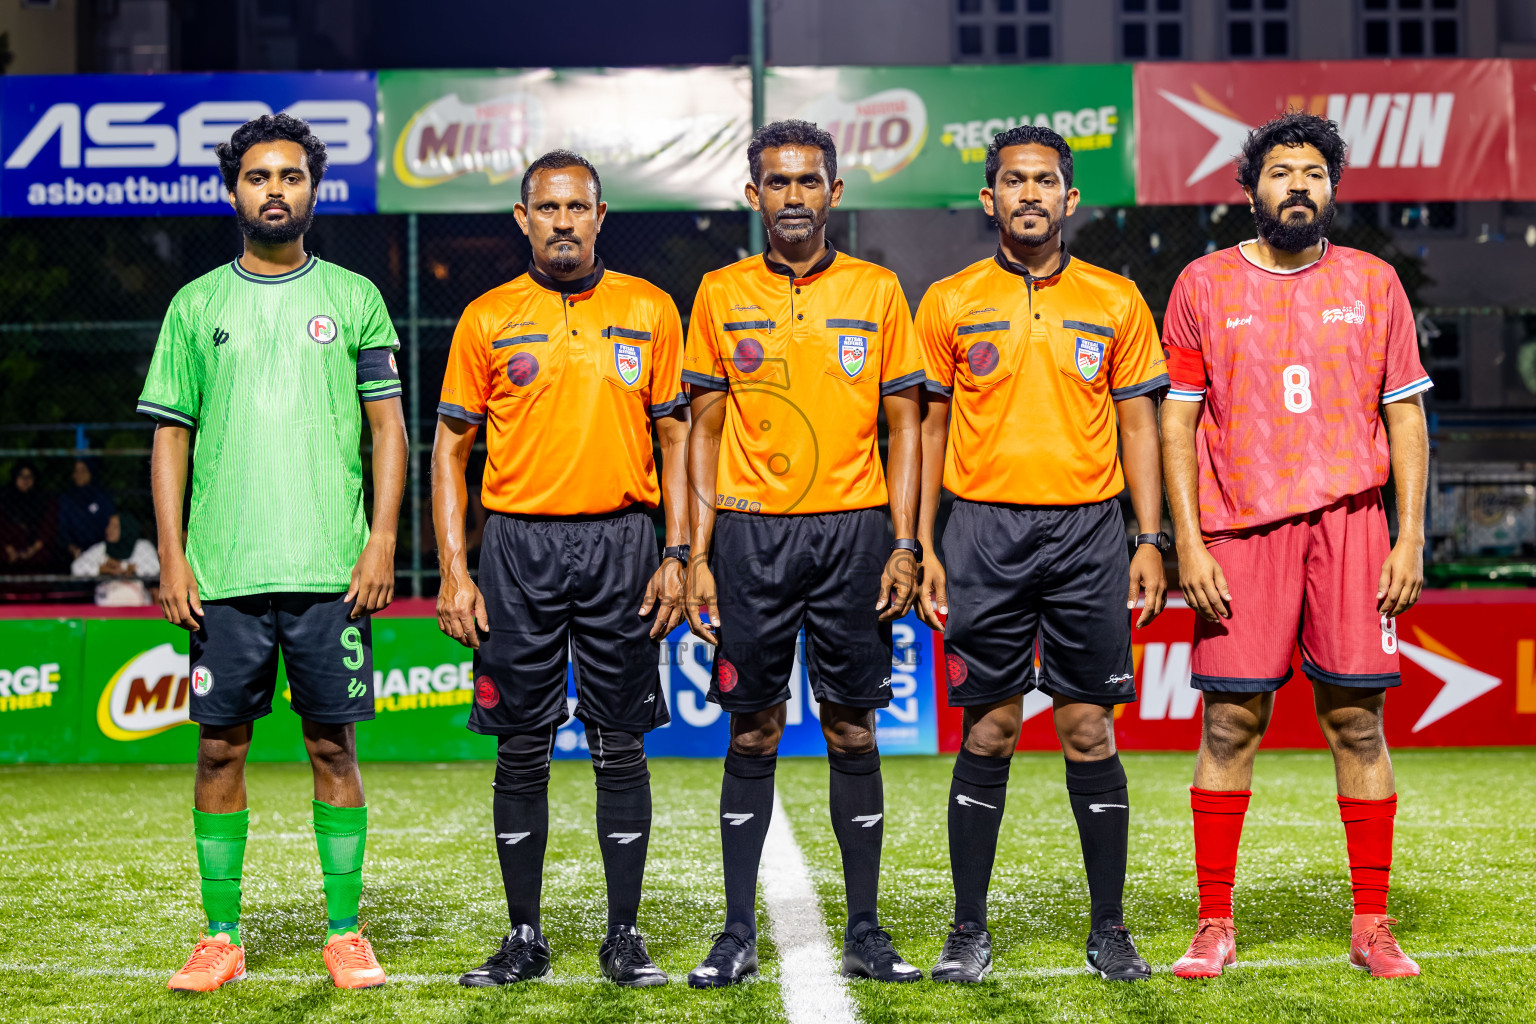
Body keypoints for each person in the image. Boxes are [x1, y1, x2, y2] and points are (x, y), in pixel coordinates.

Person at [1160, 111, 1432, 980]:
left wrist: (1409, 535)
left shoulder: (1374, 282)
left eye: (1314, 173)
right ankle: (1213, 923)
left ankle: (1372, 925)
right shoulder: (1203, 284)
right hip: (1239, 531)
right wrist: (1187, 543)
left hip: (1353, 528)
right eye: (1281, 172)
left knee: (1358, 721)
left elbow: (1405, 413)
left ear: (1332, 189)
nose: (1298, 186)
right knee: (1230, 721)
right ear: (1251, 189)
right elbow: (1177, 422)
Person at [139, 113, 407, 993]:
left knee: (334, 748)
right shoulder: (195, 306)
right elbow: (171, 437)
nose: (275, 190)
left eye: (291, 176)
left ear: (313, 189)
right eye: (258, 177)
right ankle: (220, 936)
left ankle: (345, 933)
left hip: (331, 570)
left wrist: (380, 542)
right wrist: (173, 556)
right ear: (234, 191)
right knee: (220, 752)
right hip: (224, 573)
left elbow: (388, 429)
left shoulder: (356, 297)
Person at [913, 125, 1169, 984]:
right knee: (990, 727)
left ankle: (1110, 929)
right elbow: (929, 429)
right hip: (982, 532)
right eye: (1015, 181)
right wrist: (922, 541)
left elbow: (1140, 426)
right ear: (989, 199)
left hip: (1089, 534)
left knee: (1087, 727)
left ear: (1070, 198)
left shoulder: (1116, 299)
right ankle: (968, 929)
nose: (1030, 193)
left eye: (1046, 181)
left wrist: (1149, 537)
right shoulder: (949, 300)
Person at [433, 150, 689, 989]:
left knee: (620, 743)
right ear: (524, 219)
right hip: (517, 549)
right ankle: (524, 936)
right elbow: (450, 449)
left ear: (601, 215)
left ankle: (624, 936)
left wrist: (679, 552)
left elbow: (677, 438)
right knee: (521, 745)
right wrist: (455, 569)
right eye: (548, 207)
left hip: (624, 542)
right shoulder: (486, 317)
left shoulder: (649, 309)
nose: (564, 220)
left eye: (578, 206)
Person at [682, 119, 926, 988]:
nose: (794, 196)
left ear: (834, 192)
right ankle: (736, 933)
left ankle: (865, 930)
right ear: (755, 195)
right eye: (778, 182)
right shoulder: (719, 292)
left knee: (853, 726)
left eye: (808, 180)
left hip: (854, 534)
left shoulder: (878, 290)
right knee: (752, 727)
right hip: (750, 536)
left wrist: (906, 542)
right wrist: (697, 553)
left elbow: (907, 426)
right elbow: (703, 432)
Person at [71, 512, 159, 606]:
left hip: (138, 603)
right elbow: (76, 568)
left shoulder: (142, 546)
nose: (108, 530)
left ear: (125, 528)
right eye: (109, 525)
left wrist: (126, 567)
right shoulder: (102, 548)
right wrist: (104, 569)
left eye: (115, 526)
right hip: (107, 602)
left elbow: (155, 567)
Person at [0, 461, 57, 572]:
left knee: (43, 555)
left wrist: (33, 549)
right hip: (9, 545)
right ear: (15, 478)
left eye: (29, 476)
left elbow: (47, 528)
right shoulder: (5, 499)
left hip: (34, 546)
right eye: (21, 476)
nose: (25, 480)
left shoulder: (42, 500)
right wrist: (9, 548)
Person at [59, 458, 116, 561]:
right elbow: (63, 527)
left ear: (91, 472)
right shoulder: (67, 498)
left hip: (101, 548)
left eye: (83, 471)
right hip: (74, 550)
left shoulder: (102, 496)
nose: (79, 475)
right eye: (76, 471)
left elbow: (109, 523)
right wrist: (71, 547)